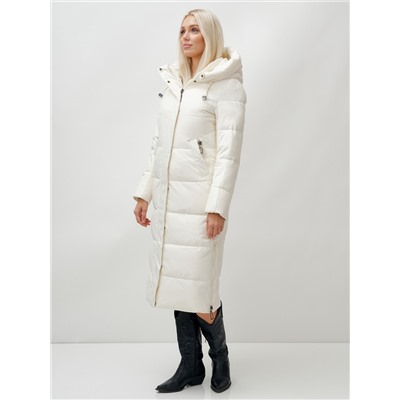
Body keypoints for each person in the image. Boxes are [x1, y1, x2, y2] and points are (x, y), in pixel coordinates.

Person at [133, 8, 247, 394]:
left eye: (194, 29)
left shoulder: (226, 85)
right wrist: (144, 192)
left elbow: (229, 153)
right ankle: (190, 366)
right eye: (182, 30)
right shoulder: (174, 84)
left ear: (209, 35)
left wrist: (217, 207)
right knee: (178, 286)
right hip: (169, 203)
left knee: (201, 291)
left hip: (199, 205)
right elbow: (158, 146)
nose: (185, 36)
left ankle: (220, 358)